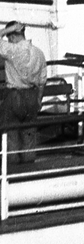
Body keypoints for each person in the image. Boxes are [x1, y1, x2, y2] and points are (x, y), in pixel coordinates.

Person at [0, 22, 47, 163]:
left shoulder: (12, 50)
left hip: (14, 95)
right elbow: (42, 81)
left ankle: (12, 172)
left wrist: (8, 29)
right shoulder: (39, 53)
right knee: (29, 135)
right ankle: (28, 170)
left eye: (9, 37)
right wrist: (38, 99)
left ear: (13, 36)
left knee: (11, 135)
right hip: (32, 96)